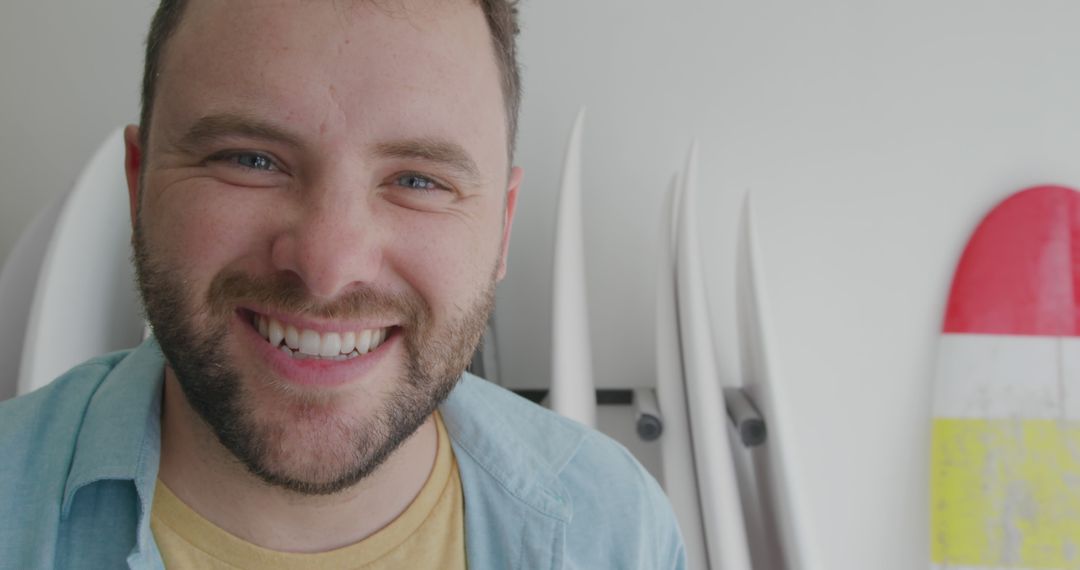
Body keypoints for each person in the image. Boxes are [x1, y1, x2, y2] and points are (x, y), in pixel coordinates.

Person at [0, 0, 686, 568]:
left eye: (418, 180)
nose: (327, 269)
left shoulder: (614, 531)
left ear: (501, 229)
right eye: (250, 159)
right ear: (138, 184)